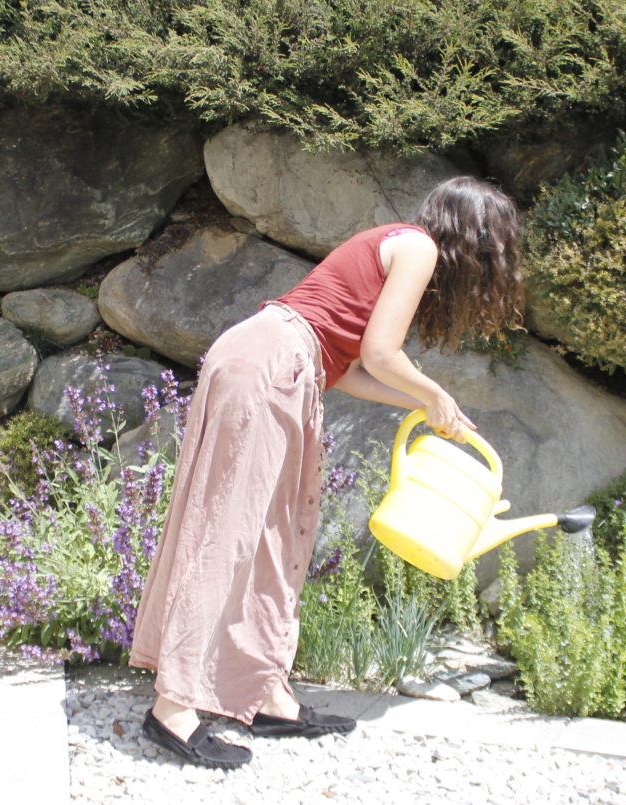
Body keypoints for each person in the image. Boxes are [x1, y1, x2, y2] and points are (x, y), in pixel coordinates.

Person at [129, 175, 525, 769]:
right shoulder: (417, 247)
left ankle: (264, 692)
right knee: (230, 535)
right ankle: (173, 707)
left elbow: (344, 366)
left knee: (273, 534)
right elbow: (382, 356)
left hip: (284, 363)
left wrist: (427, 406)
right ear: (473, 237)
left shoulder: (399, 248)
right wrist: (434, 391)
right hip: (272, 364)